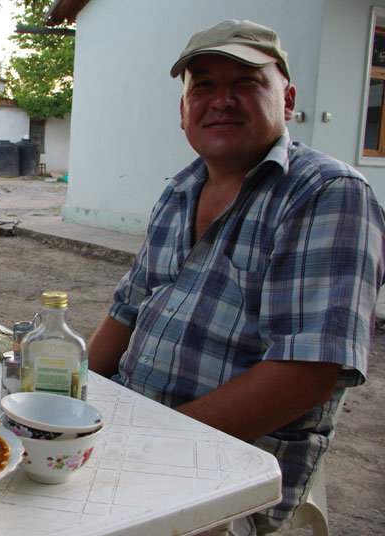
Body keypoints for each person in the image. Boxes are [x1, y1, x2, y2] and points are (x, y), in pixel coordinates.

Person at [88, 19, 385, 534]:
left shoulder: (327, 193)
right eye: (203, 85)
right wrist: (64, 397)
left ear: (286, 100)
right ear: (184, 111)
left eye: (246, 82)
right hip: (125, 433)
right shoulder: (179, 191)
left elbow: (304, 375)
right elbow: (125, 311)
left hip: (226, 472)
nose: (220, 100)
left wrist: (146, 447)